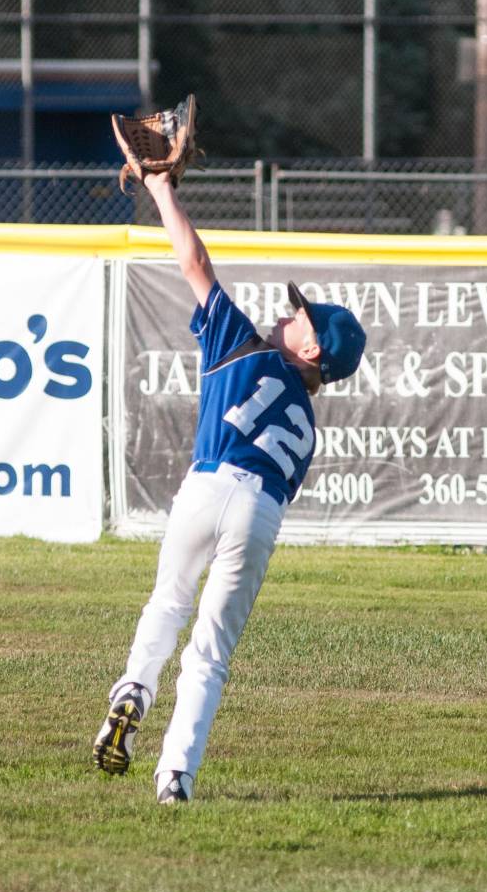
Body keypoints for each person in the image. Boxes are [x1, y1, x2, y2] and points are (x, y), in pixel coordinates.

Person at [93, 169, 366, 804]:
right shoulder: (308, 427)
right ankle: (175, 777)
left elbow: (192, 259)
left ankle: (134, 688)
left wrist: (160, 188)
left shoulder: (242, 346)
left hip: (208, 484)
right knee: (210, 653)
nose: (288, 311)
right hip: (262, 508)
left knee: (168, 602)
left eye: (300, 316)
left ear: (312, 347)